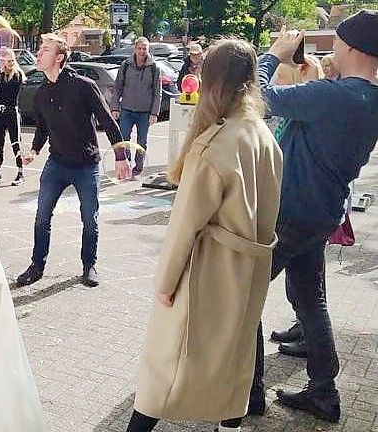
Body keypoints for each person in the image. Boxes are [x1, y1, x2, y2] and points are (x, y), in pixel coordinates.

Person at [125, 38, 283, 432]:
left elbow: (184, 225)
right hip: (250, 267)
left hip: (208, 267)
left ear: (210, 81)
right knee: (235, 354)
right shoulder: (264, 136)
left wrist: (165, 283)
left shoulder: (213, 145)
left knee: (165, 365)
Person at [251, 11, 378, 423]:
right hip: (321, 213)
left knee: (243, 295)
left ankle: (247, 391)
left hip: (291, 214)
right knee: (311, 299)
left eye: (338, 42)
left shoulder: (334, 94)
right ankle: (324, 392)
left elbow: (257, 97)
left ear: (354, 48)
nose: (333, 49)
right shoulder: (364, 97)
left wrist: (273, 55)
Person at [16, 33, 129, 288]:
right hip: (56, 164)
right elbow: (42, 128)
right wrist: (34, 150)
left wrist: (120, 156)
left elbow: (107, 121)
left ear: (59, 58)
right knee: (42, 217)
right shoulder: (41, 92)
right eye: (40, 49)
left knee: (89, 218)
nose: (39, 53)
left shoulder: (83, 86)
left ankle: (89, 266)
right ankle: (37, 266)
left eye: (45, 50)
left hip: (86, 165)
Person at [110, 37, 162, 177]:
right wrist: (115, 107)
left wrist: (154, 113)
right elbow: (118, 87)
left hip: (144, 112)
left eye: (144, 48)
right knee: (124, 138)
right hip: (127, 109)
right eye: (139, 48)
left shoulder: (154, 67)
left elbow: (157, 92)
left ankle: (138, 167)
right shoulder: (126, 65)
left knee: (142, 141)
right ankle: (126, 163)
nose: (141, 51)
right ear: (135, 49)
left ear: (148, 50)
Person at [0, 48, 26, 186]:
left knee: (15, 142)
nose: (9, 63)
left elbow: (12, 94)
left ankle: (20, 172)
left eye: (11, 60)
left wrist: (6, 105)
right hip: (0, 112)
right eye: (6, 60)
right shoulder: (0, 75)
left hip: (11, 112)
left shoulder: (17, 75)